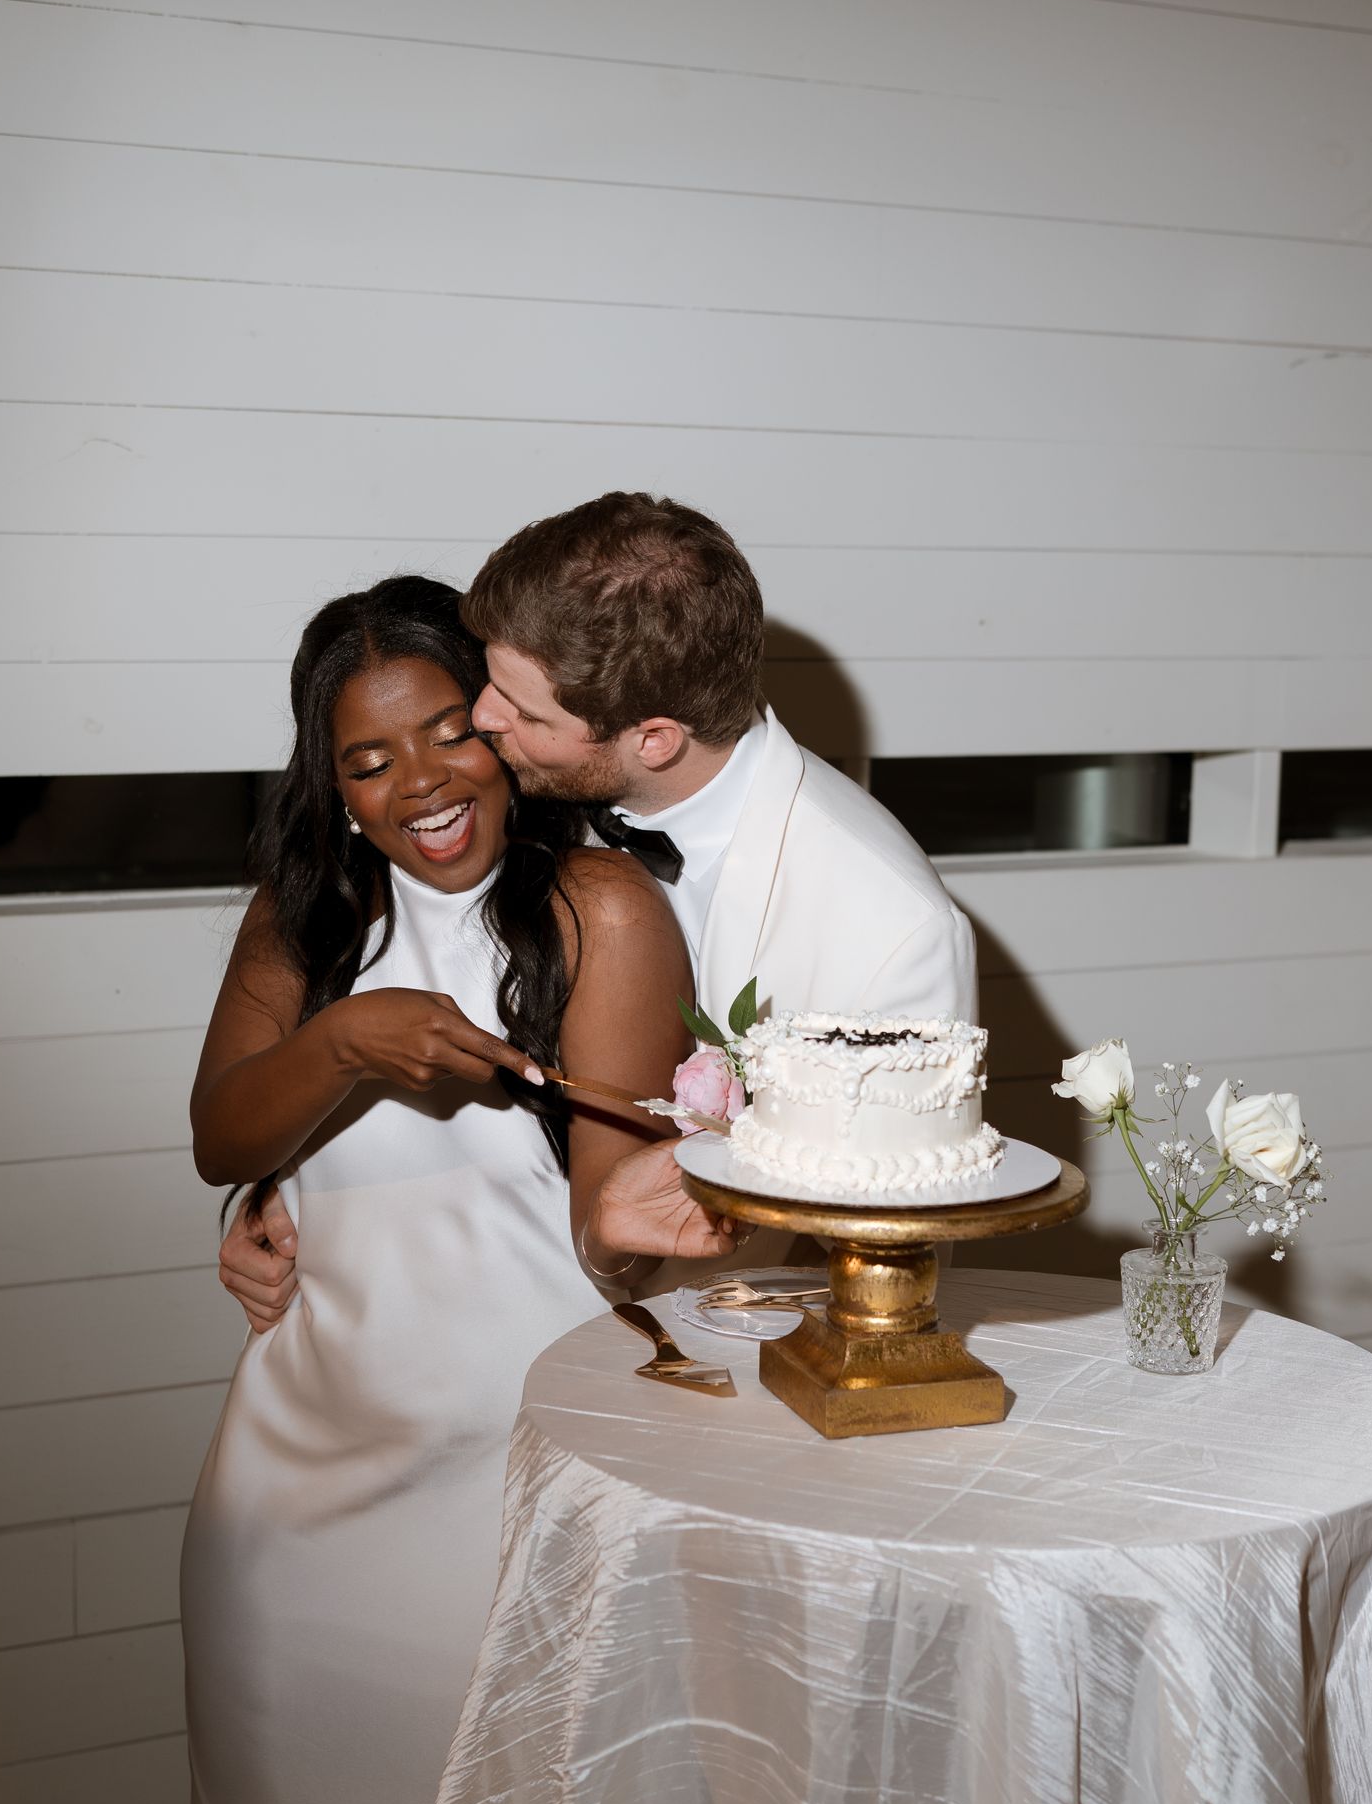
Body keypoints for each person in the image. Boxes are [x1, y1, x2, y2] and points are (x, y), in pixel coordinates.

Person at [157, 575, 734, 1804]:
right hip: (289, 1512)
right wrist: (346, 1044)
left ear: (502, 725)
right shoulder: (302, 921)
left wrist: (718, 1211)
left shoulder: (602, 914)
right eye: (366, 756)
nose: (417, 779)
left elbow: (606, 1227)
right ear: (329, 783)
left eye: (444, 728)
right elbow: (219, 1136)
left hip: (495, 1502)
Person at [220, 493, 977, 1327]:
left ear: (651, 738)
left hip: (722, 1348)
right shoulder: (556, 779)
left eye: (515, 709)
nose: (482, 717)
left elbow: (889, 1246)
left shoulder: (891, 925)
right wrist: (294, 1191)